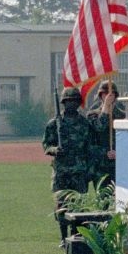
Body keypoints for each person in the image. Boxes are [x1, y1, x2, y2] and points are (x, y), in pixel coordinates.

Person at [42, 86, 105, 244]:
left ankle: (76, 235)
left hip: (79, 172)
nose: (71, 104)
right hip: (62, 172)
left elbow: (91, 149)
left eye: (74, 101)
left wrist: (89, 172)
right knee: (62, 205)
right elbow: (46, 145)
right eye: (68, 101)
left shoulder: (85, 124)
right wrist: (55, 150)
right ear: (63, 103)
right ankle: (64, 237)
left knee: (79, 206)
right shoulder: (54, 124)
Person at [85, 79, 119, 187]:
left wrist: (119, 153)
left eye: (112, 93)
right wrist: (105, 108)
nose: (109, 96)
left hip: (119, 165)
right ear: (100, 95)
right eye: (105, 93)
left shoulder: (122, 115)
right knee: (102, 199)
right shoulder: (92, 115)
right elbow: (99, 127)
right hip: (100, 166)